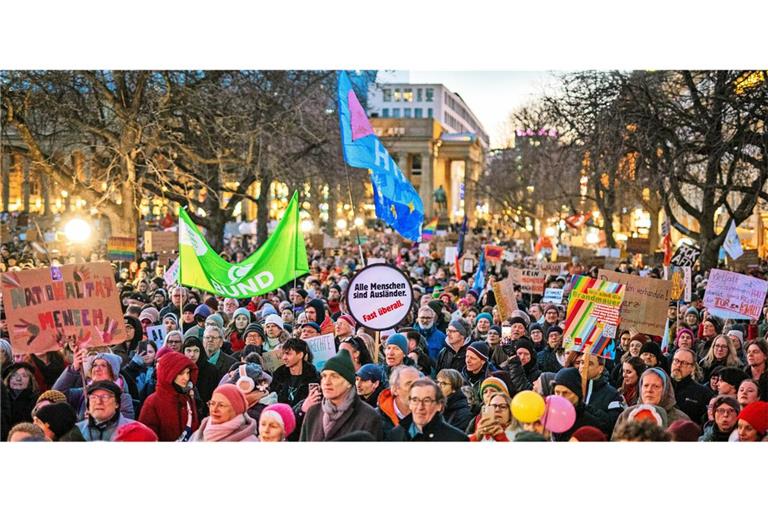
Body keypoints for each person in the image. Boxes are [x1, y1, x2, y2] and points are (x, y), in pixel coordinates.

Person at [299, 349, 383, 441]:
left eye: (334, 376)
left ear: (349, 383)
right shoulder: (313, 412)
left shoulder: (368, 416)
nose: (327, 382)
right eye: (324, 376)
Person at [53, 351, 135, 421]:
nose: (97, 369)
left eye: (103, 365)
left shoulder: (123, 398)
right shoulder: (83, 393)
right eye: (94, 365)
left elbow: (125, 425)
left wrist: (100, 419)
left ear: (113, 372)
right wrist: (73, 369)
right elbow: (56, 394)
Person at [138, 351, 199, 442]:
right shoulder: (152, 402)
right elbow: (146, 438)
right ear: (168, 374)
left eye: (188, 373)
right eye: (181, 373)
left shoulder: (188, 397)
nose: (186, 378)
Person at [388, 378, 468, 441]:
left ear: (439, 405)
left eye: (427, 401)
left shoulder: (457, 439)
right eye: (415, 400)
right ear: (410, 403)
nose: (420, 407)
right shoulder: (395, 435)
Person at [190, 384, 258, 442]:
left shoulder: (249, 441)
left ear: (236, 410)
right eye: (212, 403)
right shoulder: (200, 432)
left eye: (221, 405)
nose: (214, 409)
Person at [271, 337, 320, 409]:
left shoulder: (313, 377)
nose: (284, 357)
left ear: (300, 355)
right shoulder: (279, 375)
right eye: (283, 354)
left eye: (288, 354)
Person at [670, 348, 713, 425]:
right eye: (676, 361)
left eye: (684, 363)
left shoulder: (703, 393)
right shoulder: (661, 386)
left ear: (692, 368)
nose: (678, 365)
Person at [377, 365, 421, 439]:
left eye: (418, 384)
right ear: (395, 390)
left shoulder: (429, 415)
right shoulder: (376, 418)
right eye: (409, 384)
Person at [2, 362, 39, 429]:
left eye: (24, 376)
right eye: (14, 375)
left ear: (30, 380)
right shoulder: (2, 398)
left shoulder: (36, 400)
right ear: (8, 379)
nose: (18, 379)